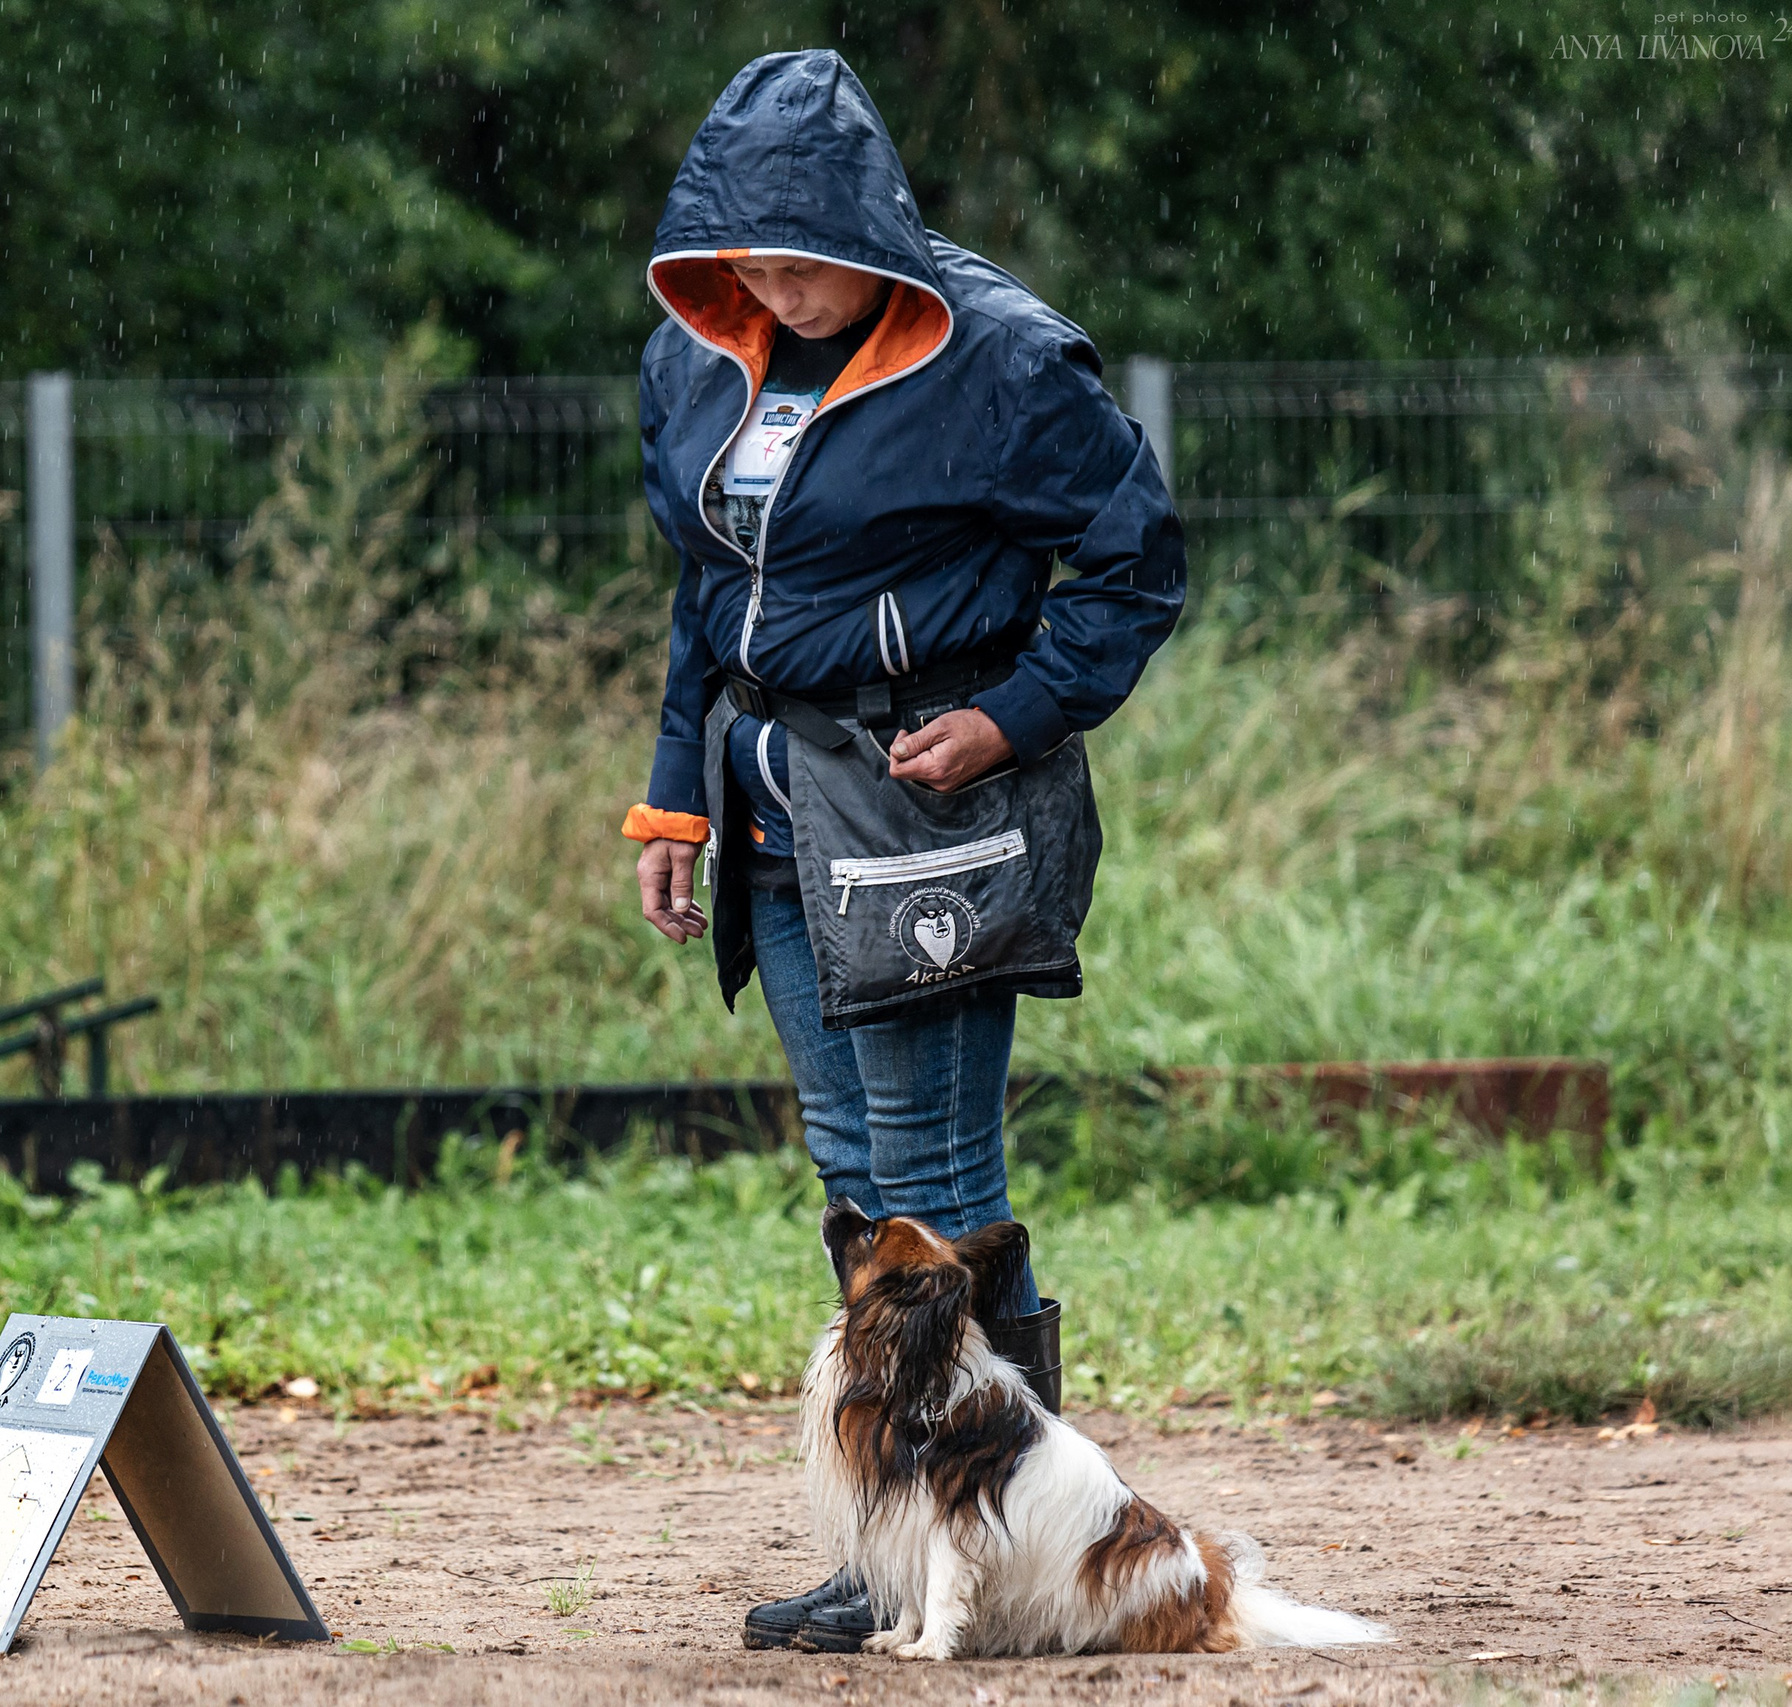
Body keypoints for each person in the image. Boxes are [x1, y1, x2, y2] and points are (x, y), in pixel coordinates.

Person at [620, 51, 1185, 1654]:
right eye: (748, 255)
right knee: (860, 1193)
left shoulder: (998, 361)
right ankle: (896, 1560)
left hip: (932, 811)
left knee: (937, 1196)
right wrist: (679, 802)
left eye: (806, 256)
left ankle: (1004, 1557)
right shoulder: (697, 360)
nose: (778, 285)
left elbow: (1136, 560)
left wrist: (1009, 715)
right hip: (771, 802)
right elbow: (701, 603)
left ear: (871, 228)